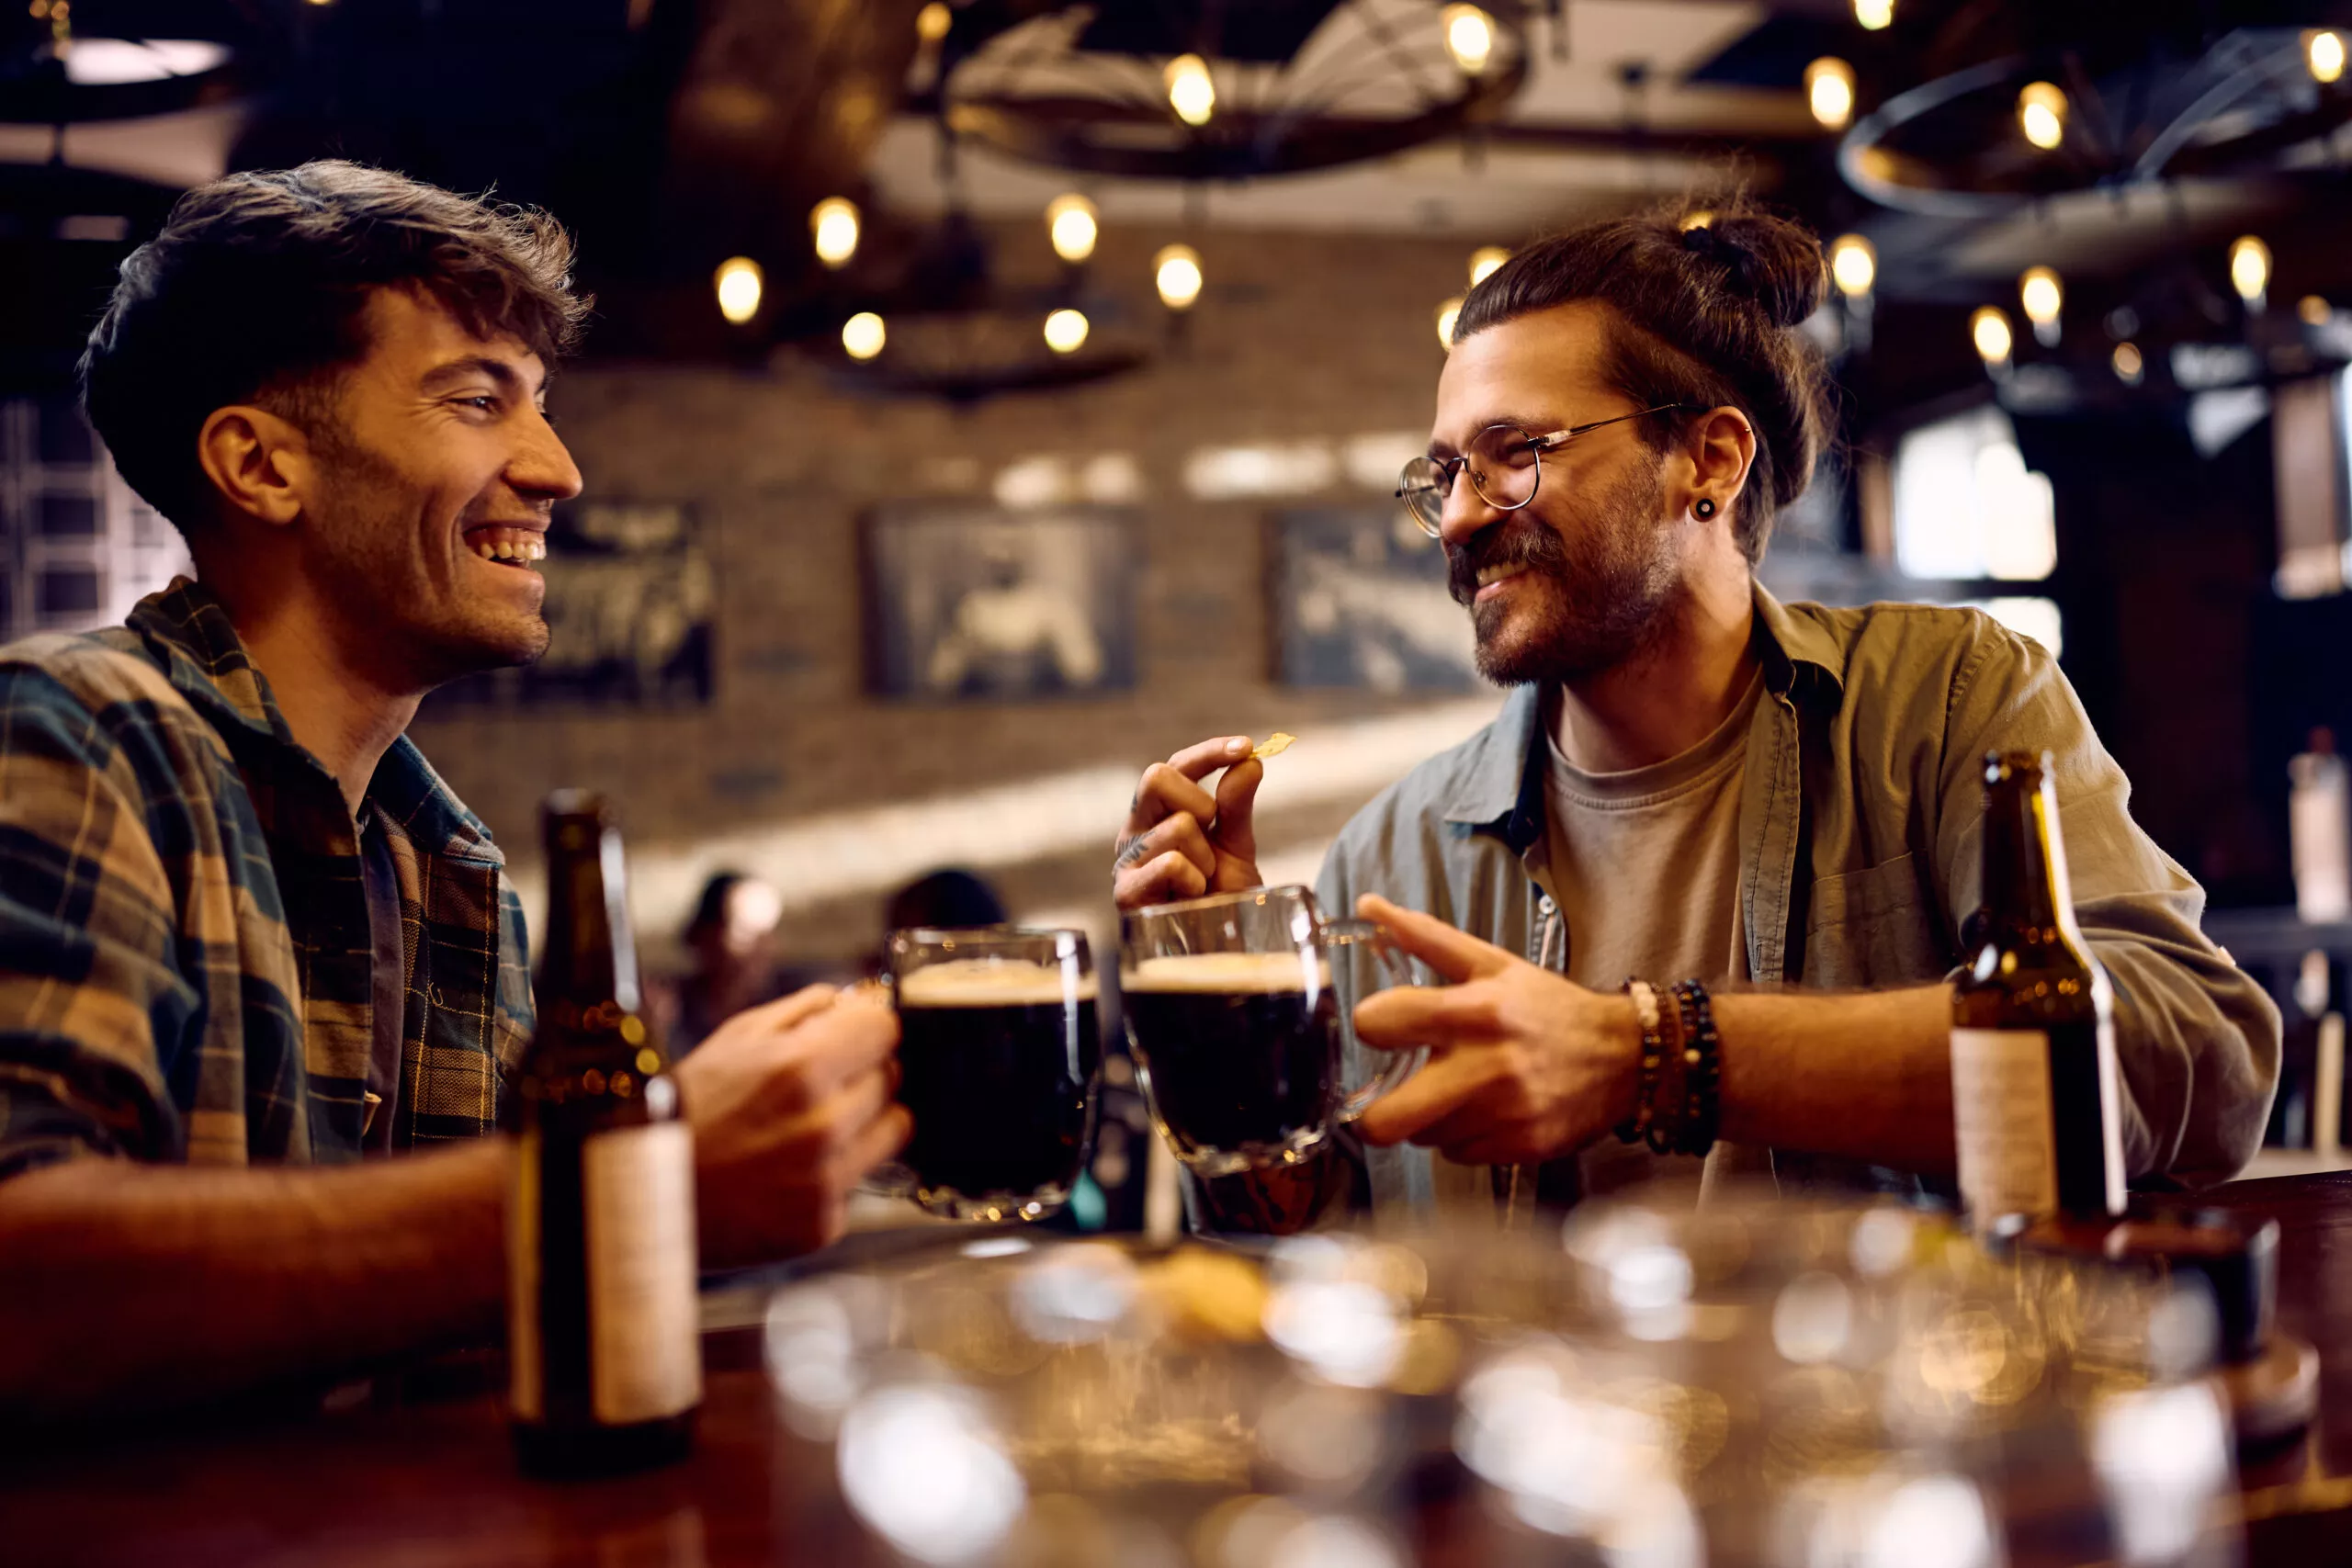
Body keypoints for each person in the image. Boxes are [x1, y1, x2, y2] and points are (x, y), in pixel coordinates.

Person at [1114, 200, 2279, 1218]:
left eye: (1512, 454)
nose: (1461, 518)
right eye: (1444, 476)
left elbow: (2191, 1065)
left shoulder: (1947, 702)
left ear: (1708, 462)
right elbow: (1311, 1229)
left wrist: (1650, 1054)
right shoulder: (1393, 852)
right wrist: (1229, 1007)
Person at [0, 163, 906, 1416]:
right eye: (479, 399)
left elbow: (451, 1344)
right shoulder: (79, 735)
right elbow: (25, 1293)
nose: (559, 469)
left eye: (540, 404)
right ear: (262, 466)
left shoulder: (451, 865)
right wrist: (641, 1177)